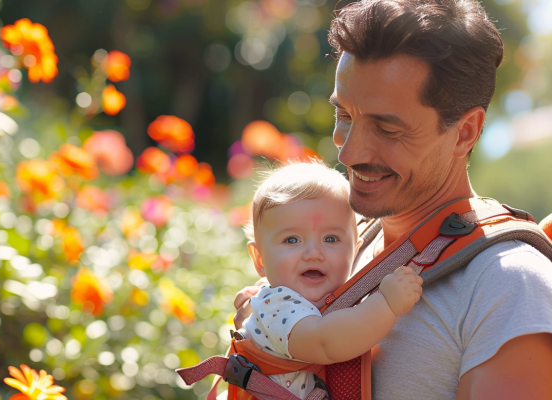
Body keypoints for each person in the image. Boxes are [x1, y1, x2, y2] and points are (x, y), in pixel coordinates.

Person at [234, 0, 552, 399]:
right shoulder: (345, 242)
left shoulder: (508, 288)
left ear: (465, 132)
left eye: (386, 129)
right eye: (344, 116)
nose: (348, 153)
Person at [236, 161, 422, 398]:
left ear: (354, 252)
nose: (314, 253)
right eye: (292, 240)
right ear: (260, 259)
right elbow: (326, 342)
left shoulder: (321, 299)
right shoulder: (277, 305)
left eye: (331, 239)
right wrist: (387, 304)